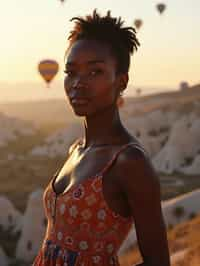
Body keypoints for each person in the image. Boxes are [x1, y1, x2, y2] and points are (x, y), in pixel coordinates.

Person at [33, 10, 170, 266]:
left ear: (122, 81)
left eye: (94, 72)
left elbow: (158, 262)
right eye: (71, 72)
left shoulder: (129, 161)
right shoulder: (77, 149)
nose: (78, 84)